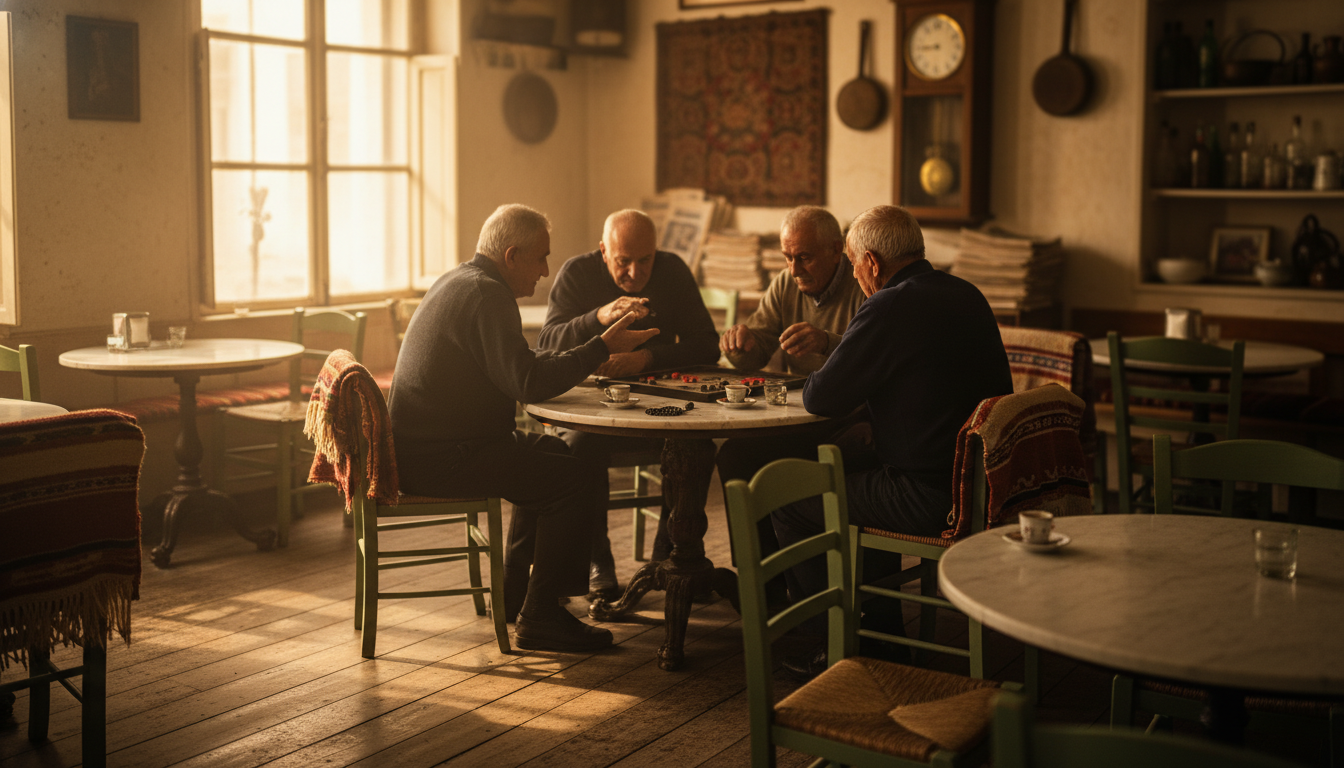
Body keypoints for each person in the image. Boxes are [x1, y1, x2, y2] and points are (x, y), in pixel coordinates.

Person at [389, 203, 658, 653]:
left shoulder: (465, 281)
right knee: (571, 480)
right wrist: (599, 348)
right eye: (540, 258)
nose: (545, 271)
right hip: (443, 457)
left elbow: (521, 367)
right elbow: (528, 384)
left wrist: (596, 348)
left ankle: (517, 596)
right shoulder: (487, 295)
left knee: (558, 457)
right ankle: (542, 617)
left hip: (438, 446)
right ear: (512, 256)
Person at [772, 204, 1013, 674]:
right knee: (863, 476)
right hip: (982, 486)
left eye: (853, 264)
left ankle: (831, 649)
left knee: (791, 501)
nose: (856, 276)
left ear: (873, 264)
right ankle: (881, 640)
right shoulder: (966, 293)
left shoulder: (887, 303)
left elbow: (821, 396)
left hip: (930, 497)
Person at [537, 209, 720, 598]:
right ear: (604, 251)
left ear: (657, 252)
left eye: (645, 260)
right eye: (623, 262)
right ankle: (597, 559)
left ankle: (671, 550)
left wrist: (646, 359)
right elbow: (548, 343)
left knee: (697, 443)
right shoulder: (577, 273)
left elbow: (707, 344)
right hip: (591, 410)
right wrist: (597, 318)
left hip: (658, 406)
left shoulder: (673, 271)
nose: (635, 273)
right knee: (580, 447)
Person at [714, 207, 868, 589]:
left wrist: (827, 341)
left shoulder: (863, 284)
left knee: (775, 466)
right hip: (798, 414)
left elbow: (872, 360)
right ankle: (762, 579)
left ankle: (808, 584)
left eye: (805, 257)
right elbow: (758, 349)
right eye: (788, 257)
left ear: (838, 251)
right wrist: (740, 345)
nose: (795, 268)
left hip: (850, 419)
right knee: (735, 454)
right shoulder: (786, 284)